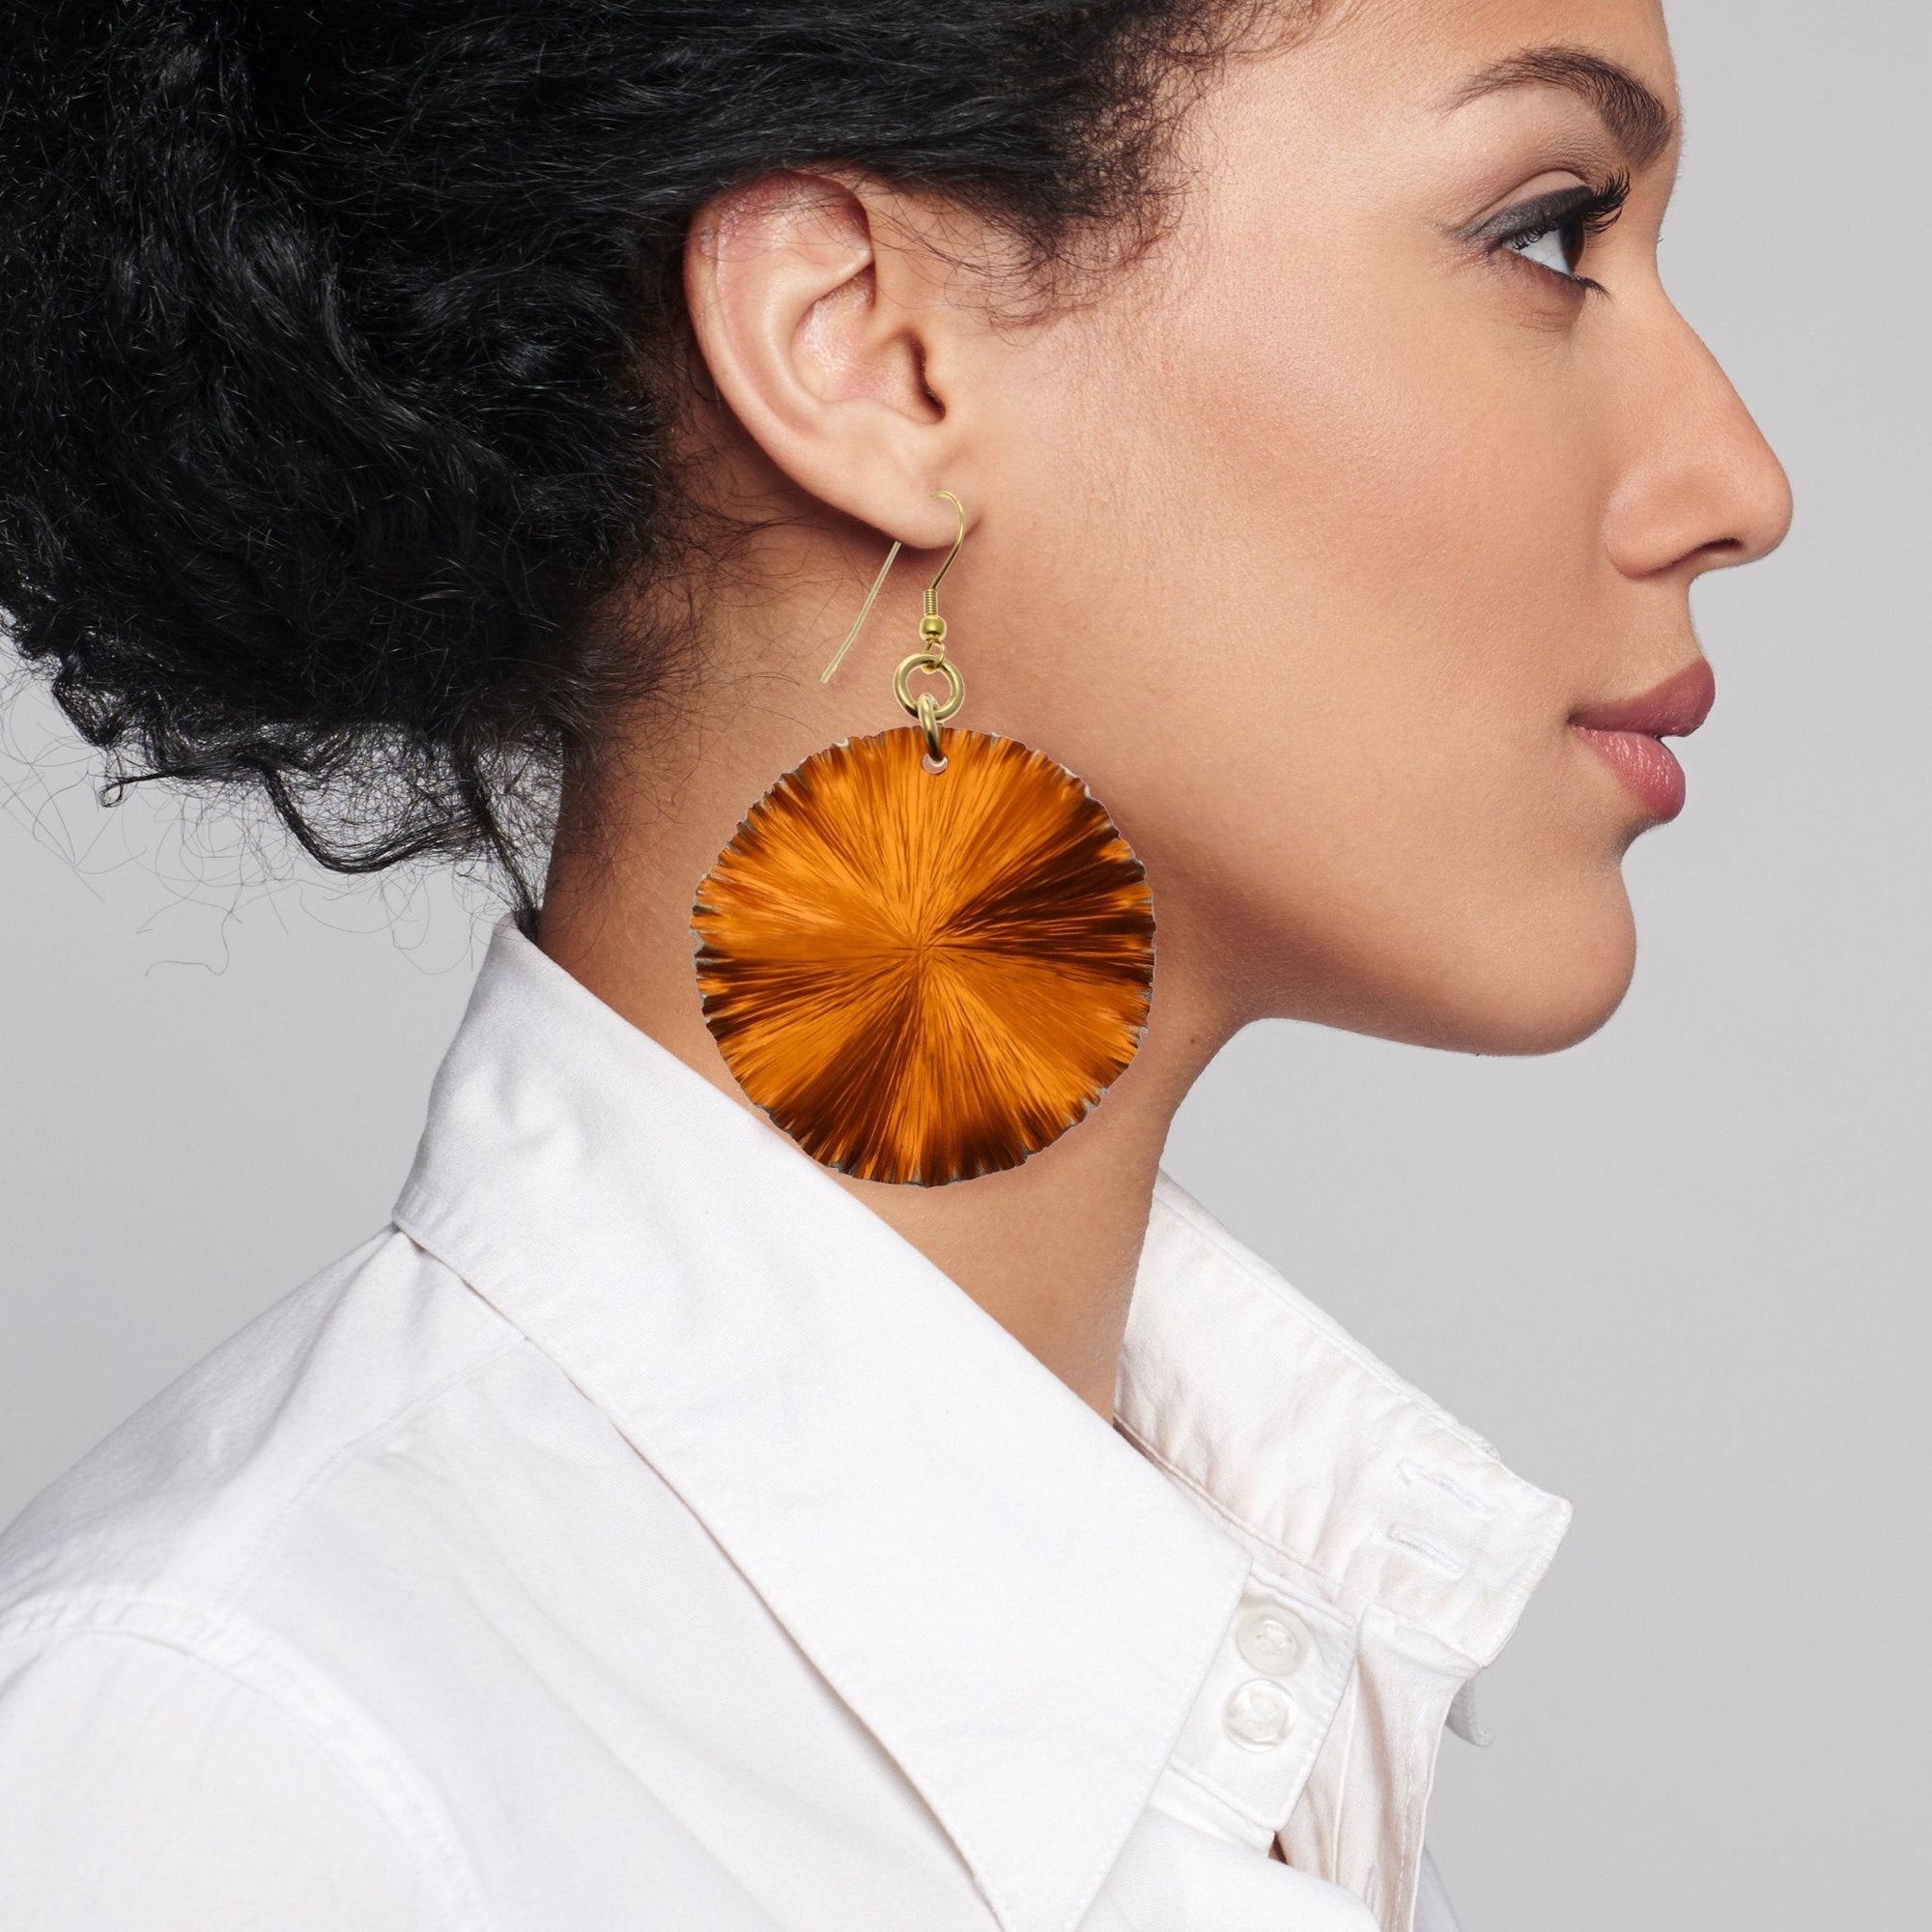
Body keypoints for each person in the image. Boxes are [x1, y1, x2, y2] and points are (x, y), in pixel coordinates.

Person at [0, 1, 1790, 1927]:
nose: (1738, 482)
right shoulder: (244, 1762)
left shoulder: (1242, 1649)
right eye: (1543, 233)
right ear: (864, 351)